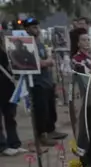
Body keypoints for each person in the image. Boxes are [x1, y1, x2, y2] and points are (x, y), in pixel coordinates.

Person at [24, 17, 65, 146]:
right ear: (27, 29)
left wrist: (46, 62)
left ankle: (51, 130)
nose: (36, 29)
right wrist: (46, 62)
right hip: (36, 82)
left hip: (47, 80)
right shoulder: (26, 44)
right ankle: (41, 135)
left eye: (37, 26)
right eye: (33, 27)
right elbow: (34, 63)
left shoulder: (41, 43)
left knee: (50, 108)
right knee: (41, 110)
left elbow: (48, 58)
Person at [0, 33, 25, 156]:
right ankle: (2, 146)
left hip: (9, 87)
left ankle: (14, 143)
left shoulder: (9, 49)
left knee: (10, 116)